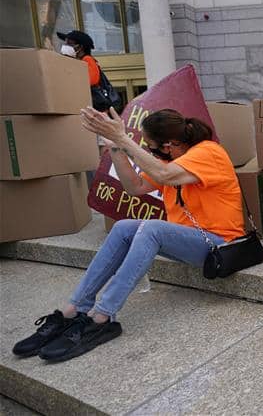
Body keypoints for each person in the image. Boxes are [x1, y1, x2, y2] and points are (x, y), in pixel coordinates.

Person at [12, 107, 245, 362]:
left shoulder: (208, 152)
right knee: (123, 227)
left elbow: (163, 175)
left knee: (153, 228)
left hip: (219, 245)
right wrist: (116, 147)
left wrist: (125, 139)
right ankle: (74, 309)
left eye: (151, 146)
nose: (148, 149)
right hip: (189, 240)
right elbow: (135, 187)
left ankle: (102, 316)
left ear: (168, 145)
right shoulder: (171, 159)